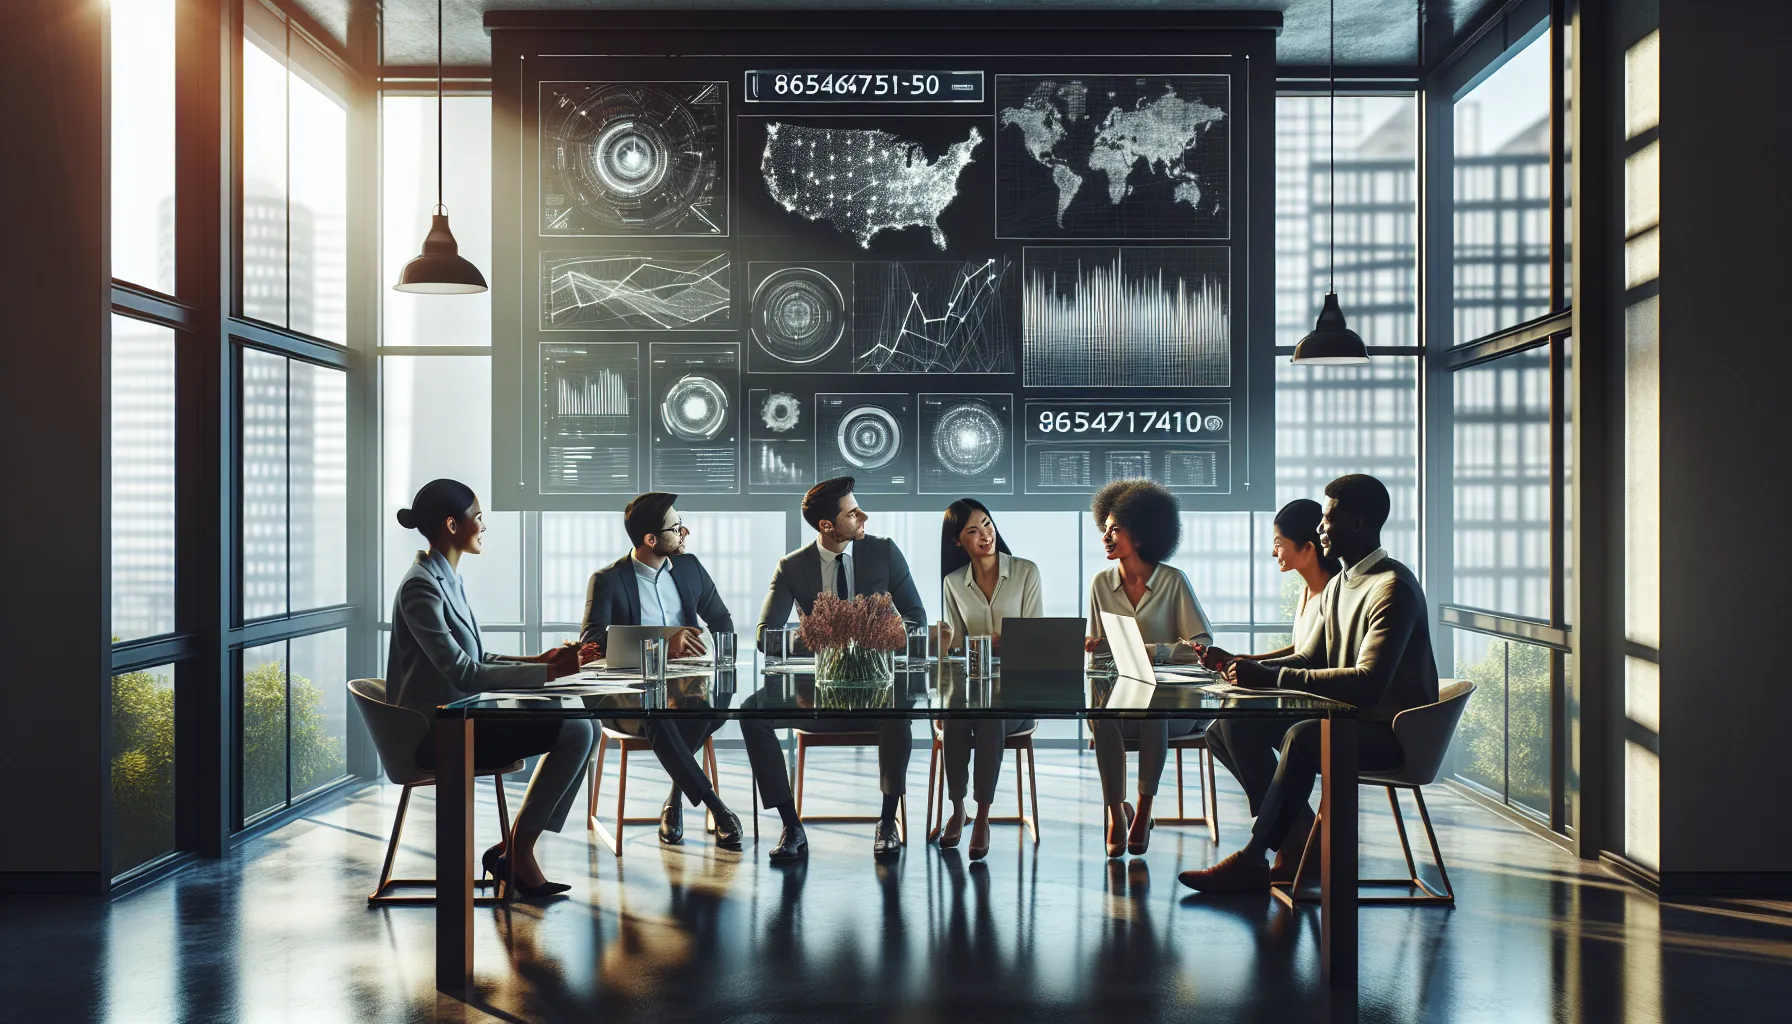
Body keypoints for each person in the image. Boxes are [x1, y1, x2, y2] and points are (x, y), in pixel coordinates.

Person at [1179, 474, 1440, 894]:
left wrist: (1272, 677)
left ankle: (1255, 855)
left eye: (1329, 518)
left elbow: (1370, 684)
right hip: (1347, 721)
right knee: (1228, 725)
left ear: (1358, 524)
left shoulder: (1393, 588)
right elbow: (1309, 657)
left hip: (1391, 734)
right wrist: (1247, 669)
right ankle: (1297, 838)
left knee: (1302, 737)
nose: (1320, 528)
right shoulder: (1340, 583)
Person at [385, 478, 596, 899]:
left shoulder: (446, 578)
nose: (484, 525)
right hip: (438, 734)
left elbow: (478, 659)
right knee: (577, 730)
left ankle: (516, 849)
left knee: (582, 724)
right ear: (451, 524)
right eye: (478, 517)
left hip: (463, 719)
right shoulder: (420, 587)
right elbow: (463, 672)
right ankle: (518, 852)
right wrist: (549, 675)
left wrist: (541, 662)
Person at [742, 476, 928, 862]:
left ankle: (887, 821)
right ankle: (791, 824)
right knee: (750, 714)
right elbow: (765, 635)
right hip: (816, 688)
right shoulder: (792, 567)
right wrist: (824, 636)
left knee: (900, 713)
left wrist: (878, 635)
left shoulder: (885, 552)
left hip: (877, 683)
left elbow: (916, 617)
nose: (863, 516)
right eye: (852, 512)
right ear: (828, 526)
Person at [577, 491, 744, 849]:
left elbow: (721, 619)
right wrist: (663, 646)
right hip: (626, 694)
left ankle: (676, 799)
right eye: (677, 528)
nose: (686, 533)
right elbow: (590, 646)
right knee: (658, 714)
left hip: (684, 689)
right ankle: (715, 804)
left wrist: (721, 663)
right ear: (651, 540)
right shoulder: (608, 579)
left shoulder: (690, 568)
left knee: (708, 709)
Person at [1082, 479, 1215, 859]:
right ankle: (1115, 813)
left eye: (1115, 529)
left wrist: (1150, 652)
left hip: (1175, 708)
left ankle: (1142, 812)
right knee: (1102, 716)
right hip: (1120, 702)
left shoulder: (1173, 582)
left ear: (1140, 535)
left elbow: (1203, 647)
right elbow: (1100, 657)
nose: (1105, 537)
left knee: (1153, 710)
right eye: (1104, 529)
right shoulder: (1100, 584)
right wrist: (1097, 648)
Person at [936, 498, 1042, 860]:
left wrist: (995, 643)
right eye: (972, 531)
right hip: (971, 689)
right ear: (957, 541)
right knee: (954, 715)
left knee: (990, 716)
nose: (985, 535)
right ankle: (958, 807)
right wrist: (947, 643)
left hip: (1018, 694)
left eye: (987, 524)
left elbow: (1034, 640)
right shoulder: (953, 583)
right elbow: (955, 650)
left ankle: (982, 815)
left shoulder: (1026, 572)